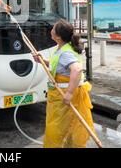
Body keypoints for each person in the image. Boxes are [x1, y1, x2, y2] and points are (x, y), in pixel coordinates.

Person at [32, 19, 96, 148]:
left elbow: (77, 69)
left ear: (59, 36)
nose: (51, 30)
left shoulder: (65, 52)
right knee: (68, 127)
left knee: (57, 128)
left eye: (53, 29)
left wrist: (69, 93)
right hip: (60, 95)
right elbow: (60, 66)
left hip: (64, 96)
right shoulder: (63, 48)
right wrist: (43, 61)